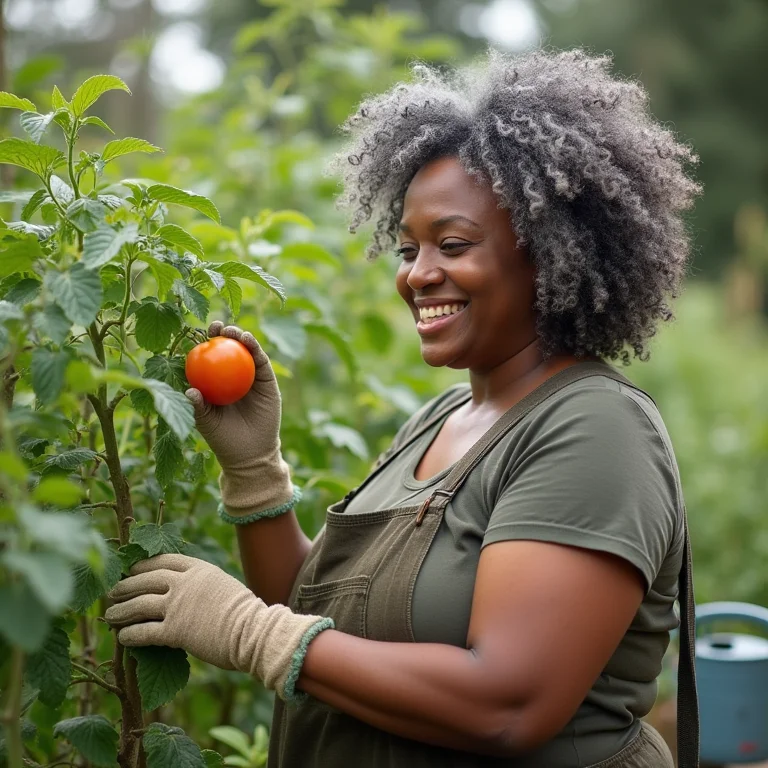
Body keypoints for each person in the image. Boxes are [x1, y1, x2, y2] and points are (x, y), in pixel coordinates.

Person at [105, 47, 702, 767]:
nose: (418, 275)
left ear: (551, 251)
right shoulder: (441, 419)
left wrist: (248, 630)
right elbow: (318, 615)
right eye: (407, 248)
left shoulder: (595, 430)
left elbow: (507, 705)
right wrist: (256, 472)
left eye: (452, 244)